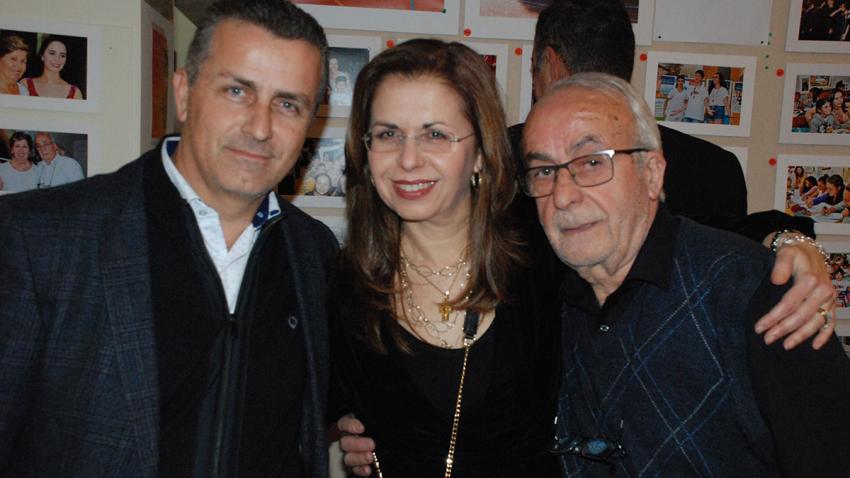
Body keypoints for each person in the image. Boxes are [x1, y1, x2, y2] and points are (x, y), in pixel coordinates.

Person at [0, 1, 336, 476]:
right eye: (237, 90)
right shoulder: (39, 238)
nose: (260, 127)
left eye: (287, 104)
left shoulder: (314, 253)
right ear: (183, 93)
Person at [525, 72, 850, 476]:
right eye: (543, 171)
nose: (562, 195)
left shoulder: (759, 296)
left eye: (592, 163)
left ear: (651, 174)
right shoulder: (544, 298)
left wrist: (791, 240)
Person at [330, 38, 562, 477]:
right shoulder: (341, 286)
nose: (408, 160)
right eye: (388, 134)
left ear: (480, 154)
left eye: (435, 134)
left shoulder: (547, 263)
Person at [21, 35, 84, 99]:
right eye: (52, 53)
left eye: (62, 55)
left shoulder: (75, 93)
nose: (57, 59)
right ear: (42, 56)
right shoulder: (25, 84)